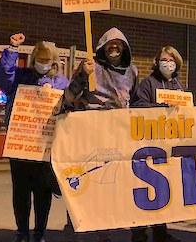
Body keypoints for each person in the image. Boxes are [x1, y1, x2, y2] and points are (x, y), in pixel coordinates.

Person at [61, 27, 139, 238]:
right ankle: (77, 228)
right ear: (102, 47)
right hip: (91, 134)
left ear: (124, 48)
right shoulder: (90, 67)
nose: (114, 47)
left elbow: (135, 101)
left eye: (118, 43)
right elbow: (68, 97)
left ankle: (105, 231)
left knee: (110, 184)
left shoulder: (133, 71)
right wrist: (82, 77)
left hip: (118, 135)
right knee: (87, 182)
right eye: (110, 44)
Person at [0, 34, 69, 242]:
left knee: (43, 191)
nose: (42, 63)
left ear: (53, 60)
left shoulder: (60, 82)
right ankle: (22, 231)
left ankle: (39, 232)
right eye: (39, 58)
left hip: (45, 145)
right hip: (21, 143)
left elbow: (69, 104)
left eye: (47, 59)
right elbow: (2, 76)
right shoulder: (21, 76)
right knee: (21, 191)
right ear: (33, 58)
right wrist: (12, 49)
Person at [129, 46, 187, 242]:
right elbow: (138, 105)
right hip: (147, 143)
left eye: (171, 60)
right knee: (144, 190)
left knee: (162, 191)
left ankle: (160, 232)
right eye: (163, 59)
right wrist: (162, 108)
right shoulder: (148, 83)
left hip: (169, 145)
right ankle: (139, 233)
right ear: (157, 61)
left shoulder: (179, 86)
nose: (167, 63)